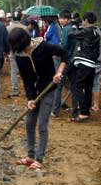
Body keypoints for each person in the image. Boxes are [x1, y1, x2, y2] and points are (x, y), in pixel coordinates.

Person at [9, 28, 66, 170]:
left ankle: (39, 159)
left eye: (21, 47)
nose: (21, 51)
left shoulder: (43, 47)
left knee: (42, 125)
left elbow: (65, 54)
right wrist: (30, 98)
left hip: (49, 88)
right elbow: (26, 79)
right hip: (35, 92)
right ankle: (30, 156)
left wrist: (59, 72)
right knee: (29, 123)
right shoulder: (19, 56)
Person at [68, 12, 100, 121]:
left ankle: (82, 110)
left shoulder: (87, 30)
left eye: (83, 20)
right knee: (88, 88)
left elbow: (71, 34)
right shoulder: (96, 31)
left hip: (84, 62)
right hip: (92, 63)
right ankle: (85, 112)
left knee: (78, 86)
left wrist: (73, 26)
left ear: (86, 20)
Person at [52, 10, 78, 118]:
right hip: (75, 60)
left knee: (58, 85)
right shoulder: (75, 28)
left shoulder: (66, 29)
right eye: (60, 18)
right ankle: (75, 112)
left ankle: (56, 110)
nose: (61, 20)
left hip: (66, 60)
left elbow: (64, 45)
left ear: (68, 19)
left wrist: (56, 52)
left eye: (63, 18)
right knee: (74, 86)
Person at [6, 9, 27, 97]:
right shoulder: (24, 28)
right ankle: (27, 89)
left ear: (12, 18)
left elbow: (6, 41)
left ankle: (15, 90)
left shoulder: (8, 28)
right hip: (23, 52)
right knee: (25, 71)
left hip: (12, 51)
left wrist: (7, 52)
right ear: (20, 17)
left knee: (13, 72)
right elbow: (28, 41)